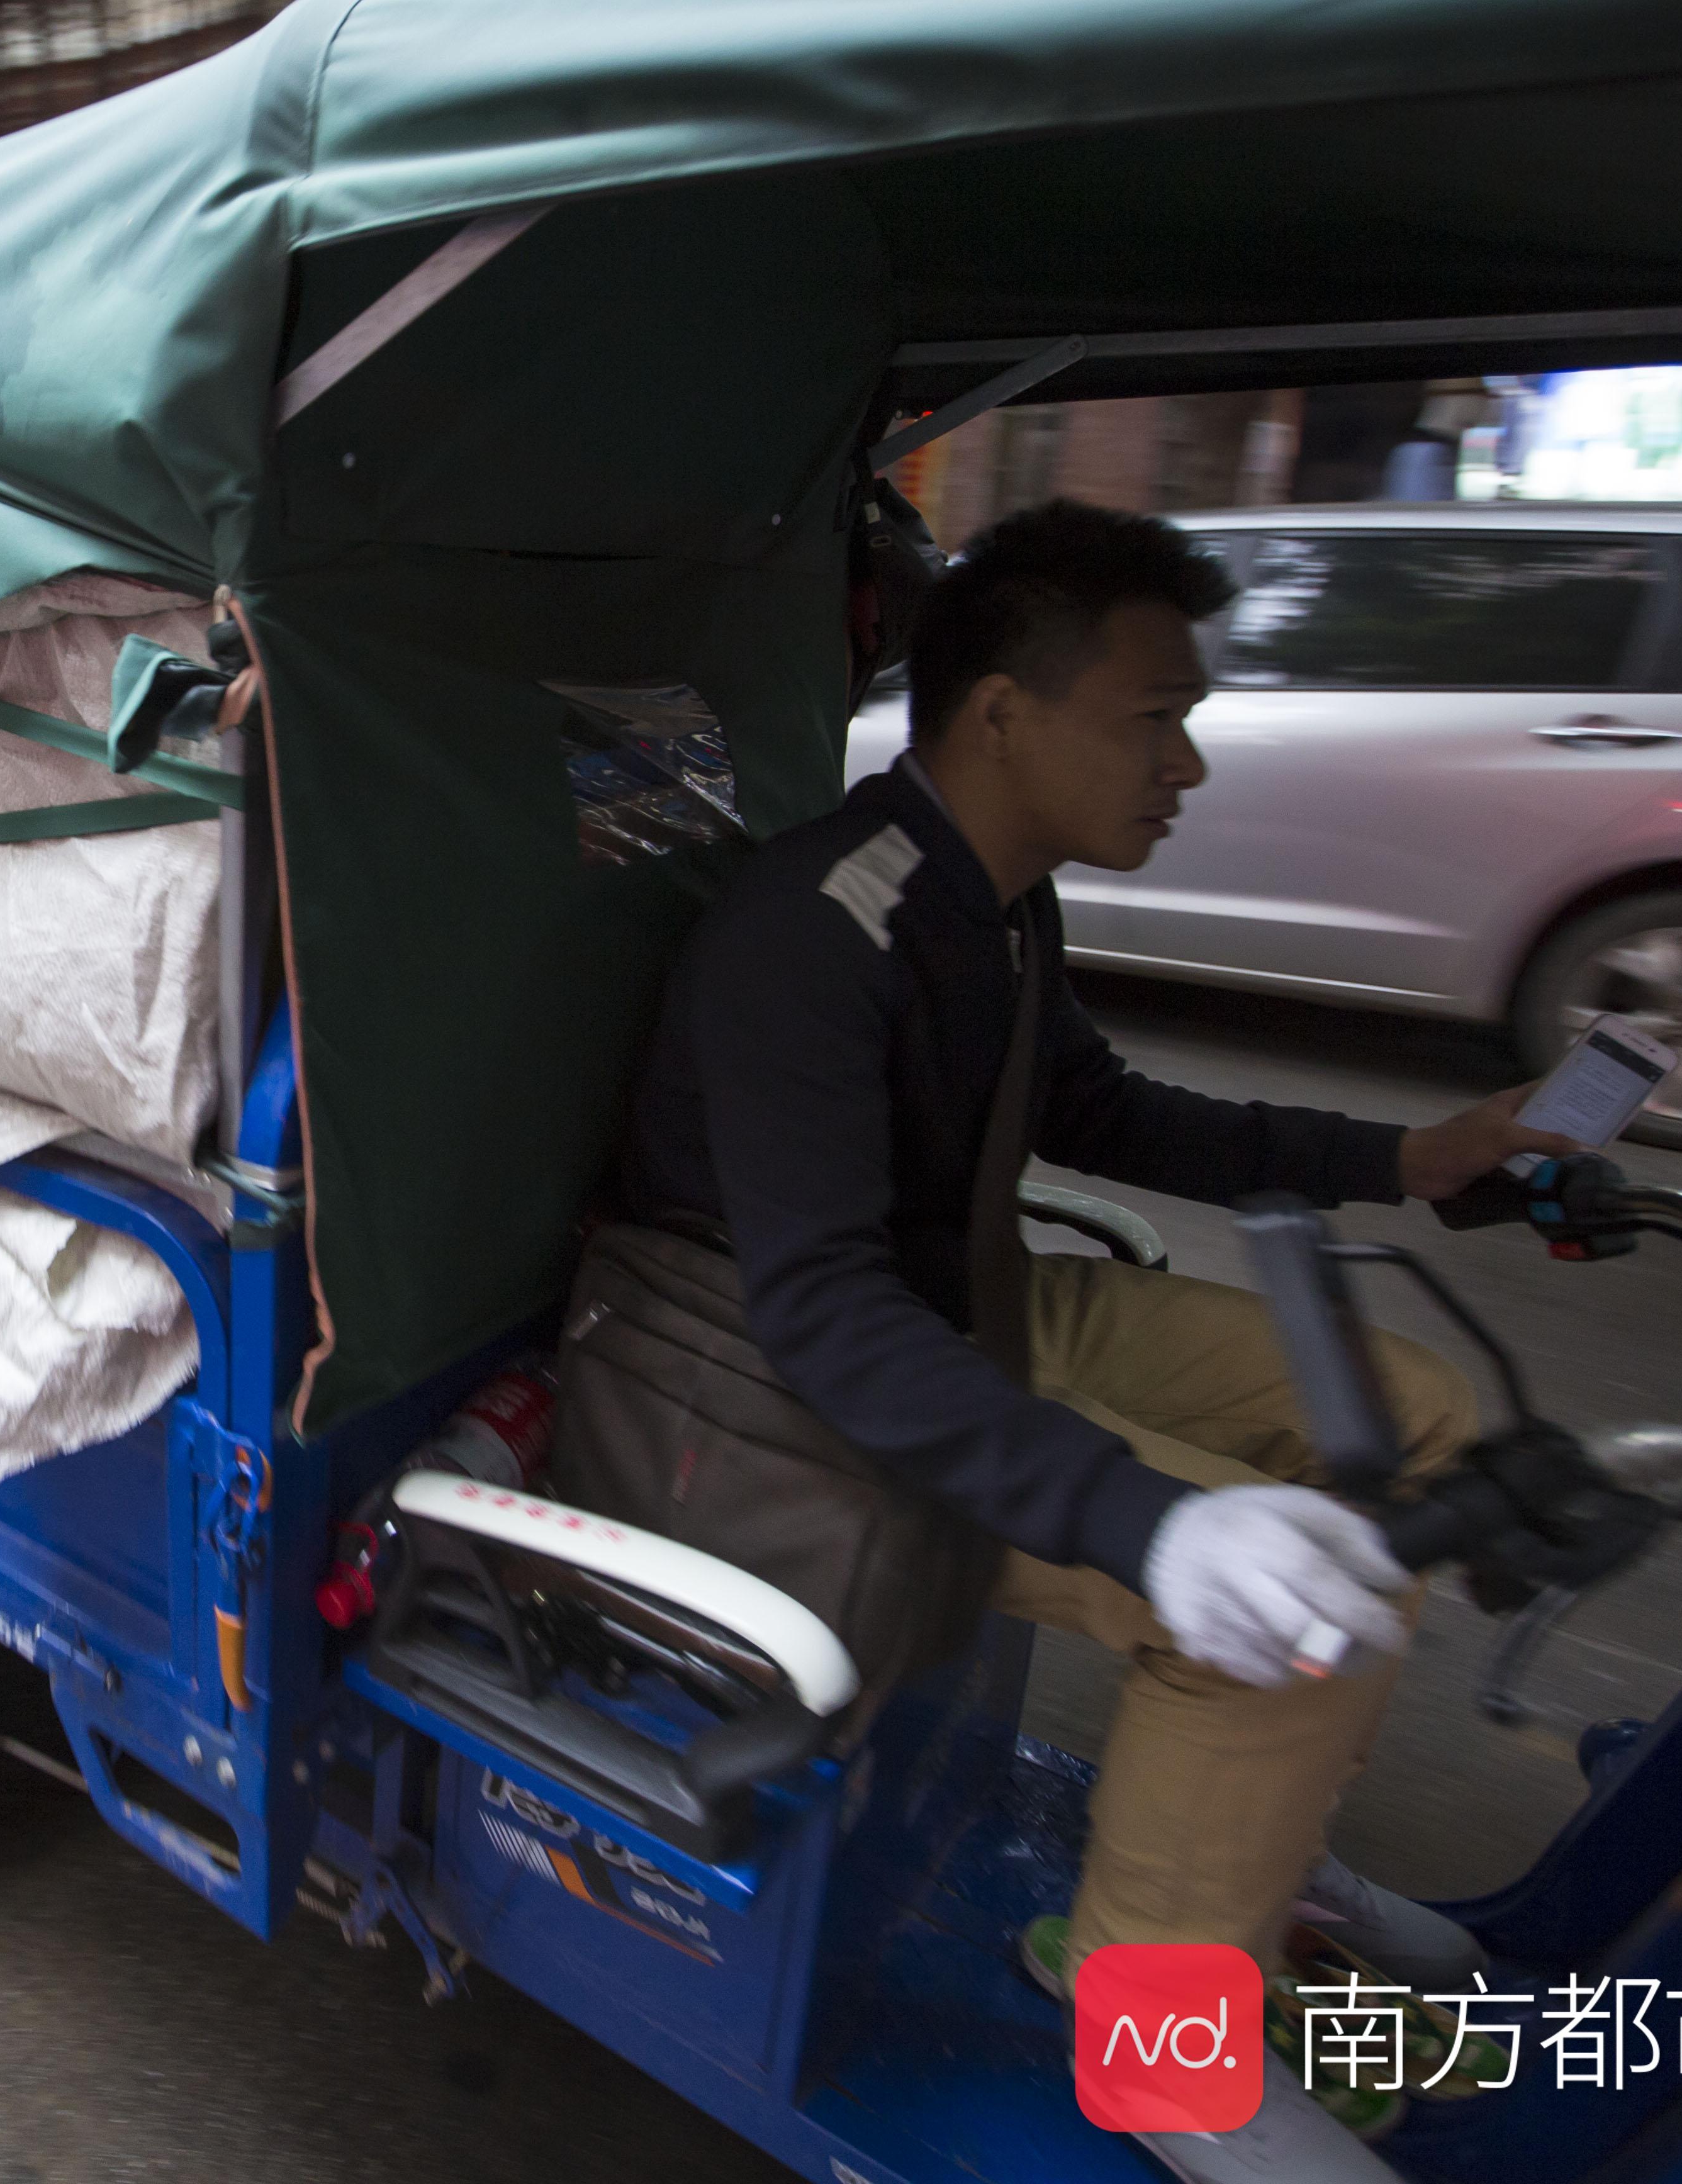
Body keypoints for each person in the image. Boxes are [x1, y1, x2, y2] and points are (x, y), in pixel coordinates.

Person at [624, 498, 1575, 2180]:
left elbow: (1092, 1107)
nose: (1188, 765)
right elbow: (827, 1314)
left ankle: (1247, 1858)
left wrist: (1406, 1163)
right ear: (1003, 712)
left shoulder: (1000, 896)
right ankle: (1156, 2048)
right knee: (1271, 1616)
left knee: (1409, 1413)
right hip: (795, 1392)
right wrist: (1153, 1519)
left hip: (974, 1311)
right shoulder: (813, 930)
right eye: (1157, 720)